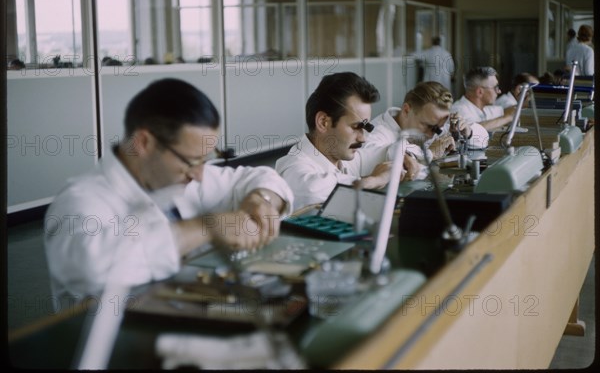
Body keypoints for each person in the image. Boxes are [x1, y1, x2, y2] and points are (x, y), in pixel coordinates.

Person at [44, 78, 294, 306]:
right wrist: (206, 227)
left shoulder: (182, 176)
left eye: (206, 160)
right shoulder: (79, 201)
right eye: (192, 161)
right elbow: (93, 266)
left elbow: (259, 176)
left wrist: (261, 199)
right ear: (144, 143)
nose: (200, 174)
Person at [275, 72, 391, 211]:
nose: (362, 138)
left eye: (365, 128)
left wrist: (407, 157)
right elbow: (312, 189)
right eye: (356, 127)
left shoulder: (344, 156)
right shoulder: (292, 167)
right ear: (323, 122)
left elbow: (387, 150)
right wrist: (373, 180)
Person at [352, 81, 489, 180]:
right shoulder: (377, 133)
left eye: (438, 128)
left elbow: (484, 139)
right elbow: (379, 157)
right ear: (407, 110)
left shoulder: (434, 124)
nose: (432, 134)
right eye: (427, 126)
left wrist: (468, 131)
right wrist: (429, 153)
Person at [451, 66, 516, 132]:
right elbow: (471, 130)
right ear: (480, 92)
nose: (499, 91)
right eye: (495, 88)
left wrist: (520, 106)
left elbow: (507, 111)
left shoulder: (484, 108)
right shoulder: (459, 110)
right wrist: (507, 118)